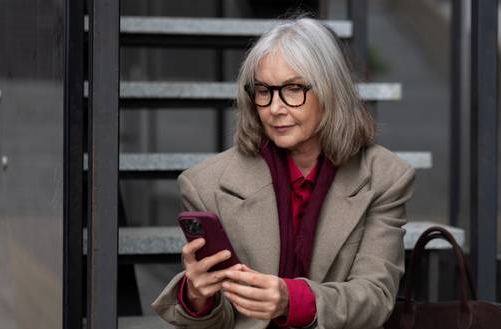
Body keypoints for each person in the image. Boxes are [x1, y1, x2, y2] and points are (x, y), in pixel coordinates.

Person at [152, 16, 415, 329]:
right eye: (264, 91)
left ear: (331, 93)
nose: (275, 107)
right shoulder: (204, 185)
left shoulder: (385, 177)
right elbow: (220, 322)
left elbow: (374, 298)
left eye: (293, 89)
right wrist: (198, 297)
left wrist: (292, 300)